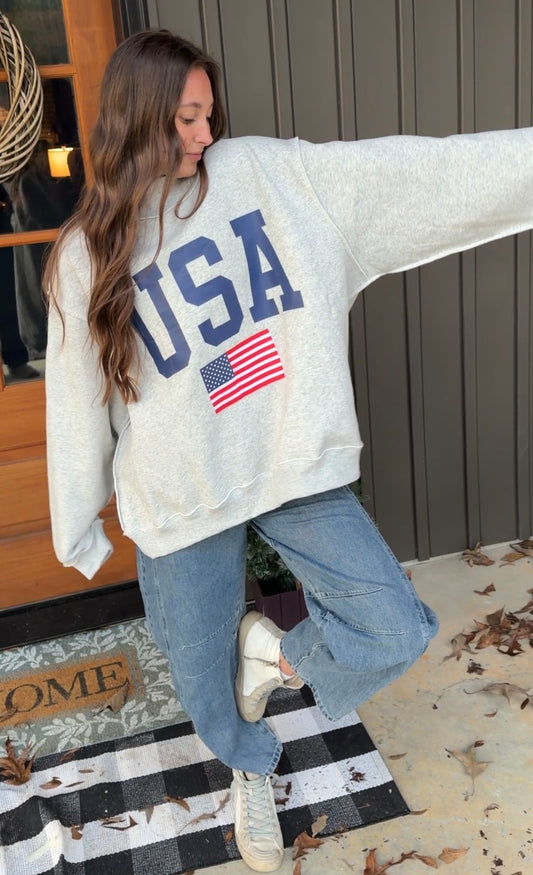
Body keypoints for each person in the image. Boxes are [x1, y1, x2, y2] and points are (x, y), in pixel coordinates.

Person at [44, 29, 533, 873]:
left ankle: (269, 655)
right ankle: (247, 764)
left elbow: (416, 173)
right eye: (186, 119)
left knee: (392, 628)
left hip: (287, 462)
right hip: (181, 498)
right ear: (136, 120)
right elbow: (76, 407)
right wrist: (76, 521)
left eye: (208, 116)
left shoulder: (270, 177)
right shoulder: (86, 257)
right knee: (203, 685)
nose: (205, 135)